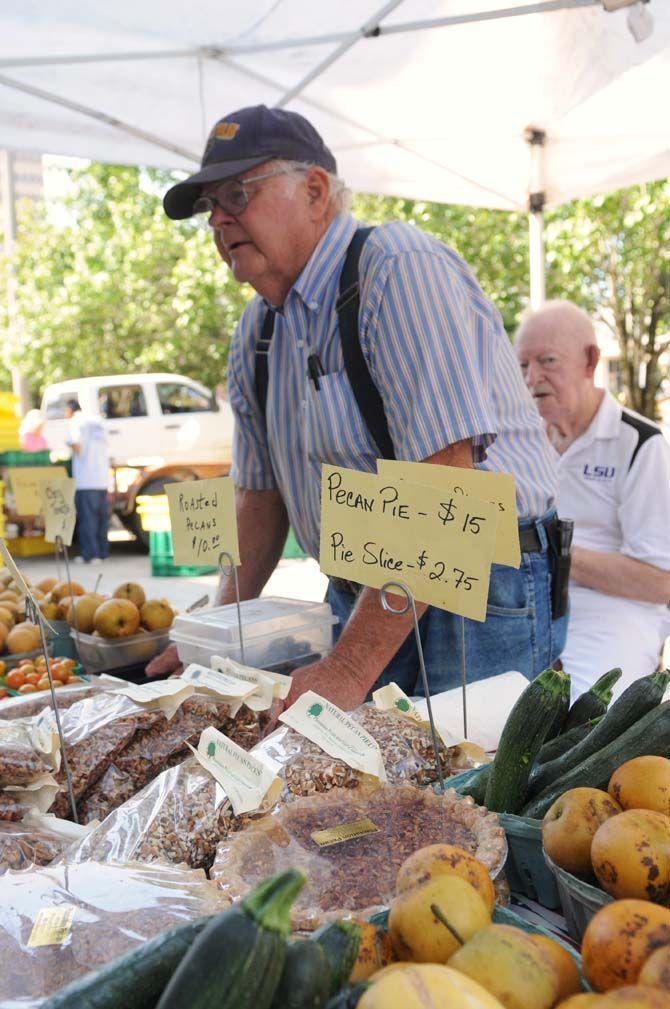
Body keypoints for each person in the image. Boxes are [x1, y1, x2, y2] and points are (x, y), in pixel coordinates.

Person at [149, 104, 566, 710]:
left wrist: (347, 668)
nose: (218, 218)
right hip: (368, 587)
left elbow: (445, 483)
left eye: (237, 194)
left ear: (316, 191)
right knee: (371, 795)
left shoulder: (396, 270)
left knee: (469, 786)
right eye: (209, 206)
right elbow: (259, 499)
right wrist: (214, 635)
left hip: (478, 587)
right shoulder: (257, 332)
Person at [515, 300, 670, 698]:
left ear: (590, 361)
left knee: (585, 721)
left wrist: (553, 551)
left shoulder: (640, 444)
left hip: (615, 612)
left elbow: (660, 582)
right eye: (522, 366)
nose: (533, 378)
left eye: (547, 361)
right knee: (474, 710)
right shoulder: (520, 440)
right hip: (524, 607)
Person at [64, 399, 110, 564]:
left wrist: (68, 445)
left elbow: (77, 445)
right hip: (102, 478)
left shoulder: (76, 422)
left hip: (86, 479)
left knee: (87, 519)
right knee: (101, 519)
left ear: (69, 409)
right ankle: (103, 553)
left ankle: (90, 554)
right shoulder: (97, 421)